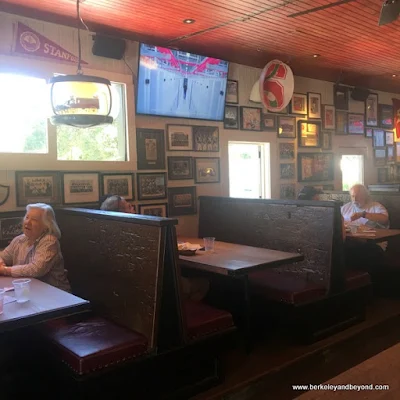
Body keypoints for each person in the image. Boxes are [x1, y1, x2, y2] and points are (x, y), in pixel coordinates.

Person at [101, 197, 209, 301]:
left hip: (129, 290)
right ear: (122, 213)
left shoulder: (109, 237)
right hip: (154, 288)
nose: (133, 207)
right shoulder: (135, 236)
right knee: (206, 282)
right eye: (129, 206)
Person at [0, 203, 71, 292]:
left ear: (46, 225)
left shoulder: (49, 241)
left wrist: (5, 270)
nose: (27, 222)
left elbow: (36, 269)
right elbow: (3, 256)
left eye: (34, 219)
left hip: (56, 293)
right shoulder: (20, 239)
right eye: (27, 217)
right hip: (30, 290)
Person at [341, 184, 389, 275]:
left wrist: (363, 214)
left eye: (358, 196)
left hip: (374, 245)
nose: (355, 200)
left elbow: (384, 219)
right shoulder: (346, 208)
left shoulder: (376, 206)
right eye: (353, 196)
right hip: (352, 242)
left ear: (365, 196)